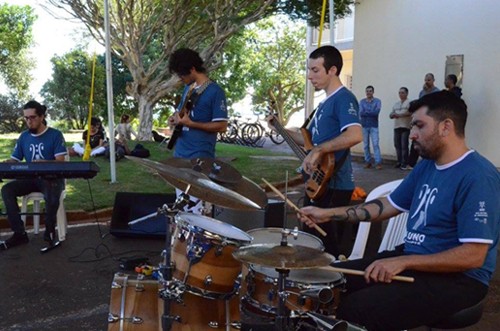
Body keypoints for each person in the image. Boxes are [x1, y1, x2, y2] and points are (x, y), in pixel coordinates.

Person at [298, 91, 500, 331]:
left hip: (460, 279)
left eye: (419, 126)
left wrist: (402, 261)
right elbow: (388, 205)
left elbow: (473, 256)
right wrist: (328, 214)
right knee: (329, 280)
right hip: (414, 259)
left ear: (446, 127)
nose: (412, 134)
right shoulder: (427, 165)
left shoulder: (478, 176)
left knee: (356, 309)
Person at [267, 45, 362, 257]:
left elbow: (355, 135)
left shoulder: (344, 98)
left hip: (334, 184)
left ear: (333, 70)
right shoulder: (323, 104)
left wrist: (320, 150)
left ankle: (334, 286)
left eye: (315, 70)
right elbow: (308, 141)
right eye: (309, 70)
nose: (310, 76)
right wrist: (280, 128)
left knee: (326, 247)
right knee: (311, 240)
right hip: (318, 183)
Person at [167, 48, 229, 213]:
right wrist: (175, 119)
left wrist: (192, 124)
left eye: (182, 74)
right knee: (181, 209)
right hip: (180, 155)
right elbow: (181, 113)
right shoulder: (189, 89)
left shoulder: (215, 91)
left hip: (199, 158)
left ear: (192, 69)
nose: (181, 78)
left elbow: (222, 126)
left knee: (195, 210)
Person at [1, 101, 68, 250]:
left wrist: (44, 162)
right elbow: (16, 159)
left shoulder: (55, 135)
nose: (29, 121)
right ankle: (19, 234)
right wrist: (6, 163)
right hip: (31, 179)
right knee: (7, 190)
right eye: (26, 118)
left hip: (51, 178)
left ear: (42, 116)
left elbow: (61, 161)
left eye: (32, 117)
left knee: (51, 193)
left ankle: (50, 233)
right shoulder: (24, 137)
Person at [409, 73, 441, 167]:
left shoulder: (437, 92)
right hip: (421, 121)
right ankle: (412, 164)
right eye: (426, 80)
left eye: (429, 80)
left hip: (432, 120)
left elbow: (434, 105)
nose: (427, 82)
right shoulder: (422, 92)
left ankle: (430, 163)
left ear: (433, 80)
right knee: (417, 141)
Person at [359, 85, 382, 169]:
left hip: (374, 125)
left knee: (375, 144)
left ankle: (378, 162)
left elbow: (376, 112)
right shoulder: (362, 102)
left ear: (373, 92)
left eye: (370, 91)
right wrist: (370, 112)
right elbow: (361, 113)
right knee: (365, 145)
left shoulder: (377, 101)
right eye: (367, 91)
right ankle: (368, 162)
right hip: (364, 125)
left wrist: (366, 112)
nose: (368, 93)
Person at [389, 87, 412, 170]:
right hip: (397, 126)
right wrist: (392, 115)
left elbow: (409, 112)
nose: (401, 94)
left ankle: (404, 163)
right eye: (399, 93)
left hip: (405, 126)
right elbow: (391, 113)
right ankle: (399, 161)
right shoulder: (396, 104)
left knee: (404, 145)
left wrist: (398, 115)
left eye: (402, 93)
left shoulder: (409, 103)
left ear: (406, 93)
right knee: (397, 145)